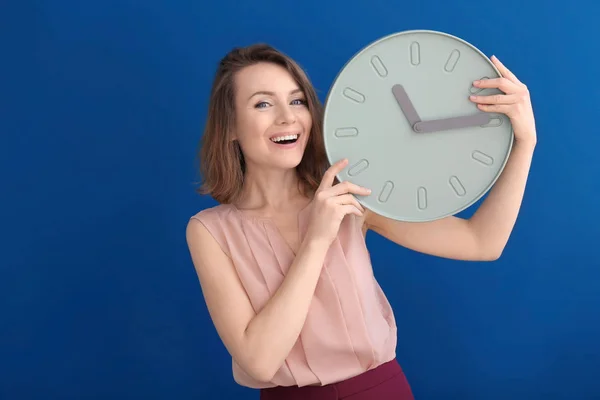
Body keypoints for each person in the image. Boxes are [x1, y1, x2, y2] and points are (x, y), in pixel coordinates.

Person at [185, 43, 537, 399]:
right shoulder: (210, 232)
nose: (287, 117)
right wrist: (317, 239)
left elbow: (482, 242)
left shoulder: (352, 194)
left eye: (297, 101)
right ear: (229, 125)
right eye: (263, 103)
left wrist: (525, 144)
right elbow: (260, 361)